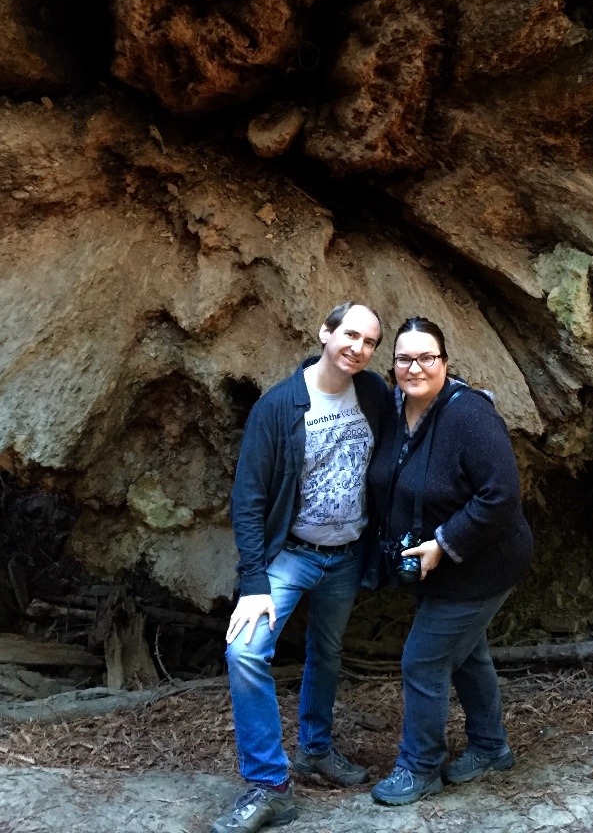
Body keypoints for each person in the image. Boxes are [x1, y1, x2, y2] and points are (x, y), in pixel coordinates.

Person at [212, 302, 393, 833]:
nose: (357, 349)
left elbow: (414, 419)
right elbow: (248, 499)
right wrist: (253, 583)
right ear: (325, 333)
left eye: (369, 343)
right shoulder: (280, 407)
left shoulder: (374, 395)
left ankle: (316, 749)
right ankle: (270, 785)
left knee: (328, 652)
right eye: (350, 336)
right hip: (291, 555)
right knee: (244, 651)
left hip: (348, 553)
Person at [366, 316, 533, 806]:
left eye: (426, 358)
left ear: (445, 362)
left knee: (423, 661)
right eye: (403, 358)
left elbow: (501, 495)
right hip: (436, 566)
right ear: (392, 363)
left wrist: (443, 543)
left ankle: (420, 767)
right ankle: (490, 746)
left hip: (483, 564)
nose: (414, 367)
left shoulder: (469, 416)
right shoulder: (394, 409)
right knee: (468, 654)